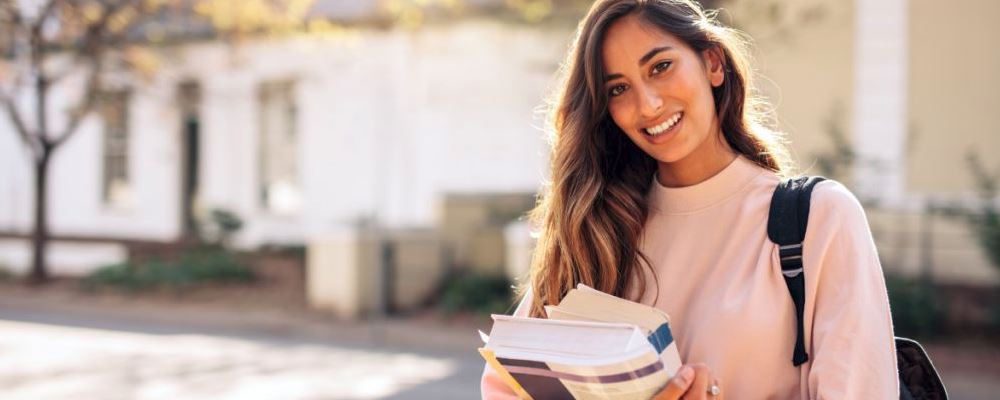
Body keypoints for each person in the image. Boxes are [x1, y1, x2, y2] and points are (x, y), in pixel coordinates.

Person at [481, 0, 899, 399]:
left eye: (660, 67)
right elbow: (505, 388)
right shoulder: (595, 230)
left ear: (712, 63)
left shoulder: (817, 219)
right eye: (618, 89)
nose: (648, 104)